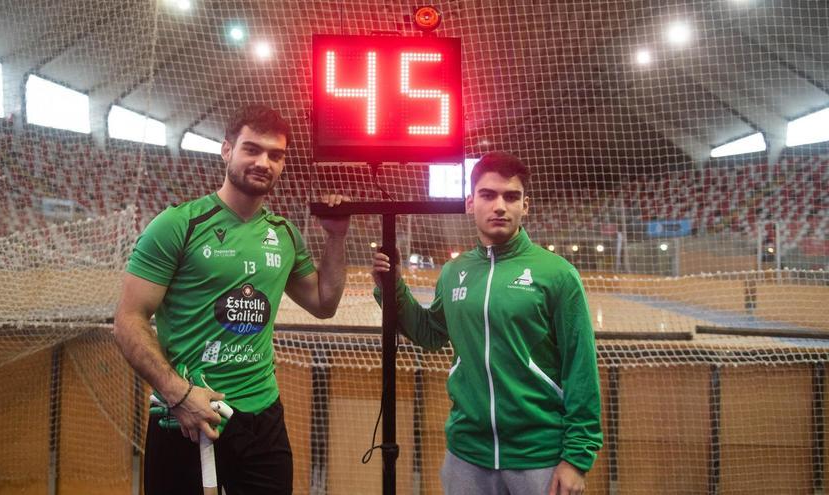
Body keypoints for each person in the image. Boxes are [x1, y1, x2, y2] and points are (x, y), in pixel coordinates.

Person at [114, 104, 349, 495]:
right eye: (251, 149)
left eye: (276, 155)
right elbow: (127, 321)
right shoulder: (178, 225)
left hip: (261, 420)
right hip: (186, 417)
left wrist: (337, 236)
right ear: (226, 150)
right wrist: (179, 395)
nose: (264, 162)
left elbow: (324, 303)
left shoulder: (285, 234)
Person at [372, 152, 601, 495]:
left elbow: (580, 367)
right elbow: (430, 334)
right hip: (467, 454)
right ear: (469, 203)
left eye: (511, 197)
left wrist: (576, 459)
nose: (500, 206)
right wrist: (391, 288)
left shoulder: (557, 274)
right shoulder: (454, 272)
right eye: (488, 195)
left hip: (538, 456)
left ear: (526, 206)